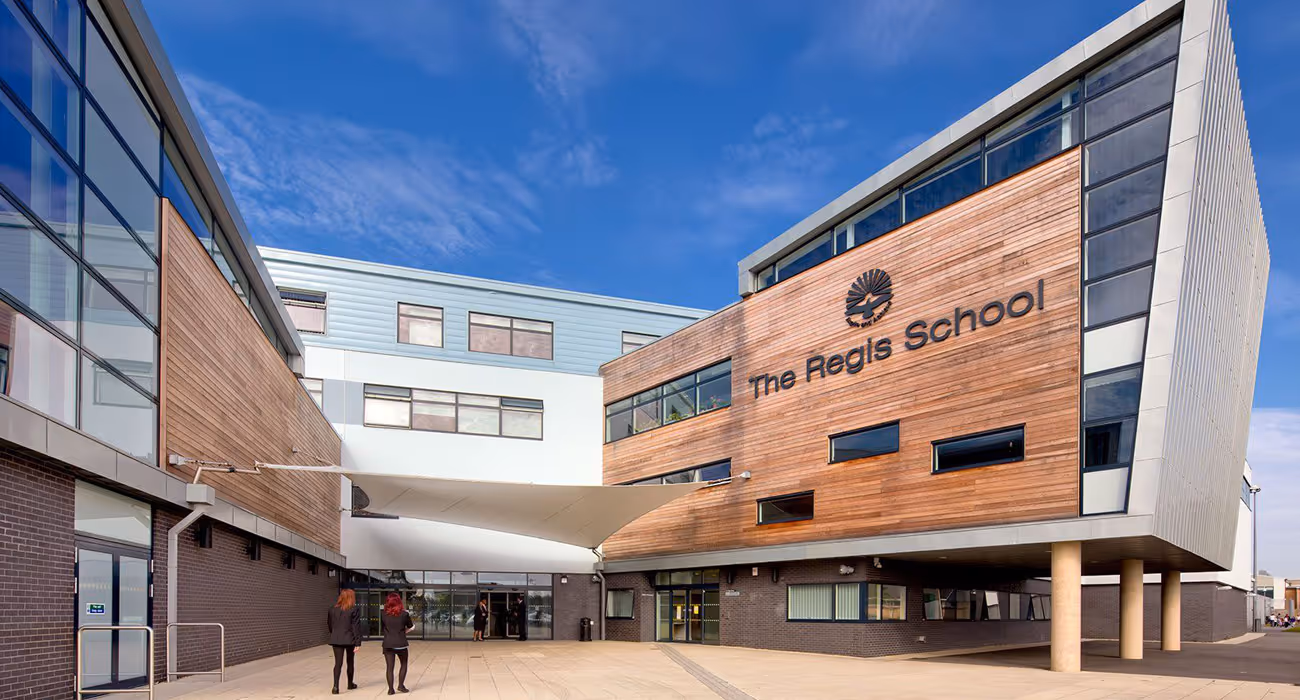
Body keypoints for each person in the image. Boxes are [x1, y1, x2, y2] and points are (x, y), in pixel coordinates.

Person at [327, 589, 363, 694]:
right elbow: (356, 627)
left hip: (336, 639)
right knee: (350, 662)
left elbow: (329, 624)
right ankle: (350, 684)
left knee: (338, 663)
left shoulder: (332, 609)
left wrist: (334, 634)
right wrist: (358, 642)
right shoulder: (354, 609)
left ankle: (335, 687)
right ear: (351, 597)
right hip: (349, 639)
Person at [381, 592, 414, 695]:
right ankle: (401, 686)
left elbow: (383, 628)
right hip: (401, 643)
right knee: (403, 664)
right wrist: (404, 632)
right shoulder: (404, 614)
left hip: (388, 643)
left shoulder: (383, 614)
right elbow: (411, 626)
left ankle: (391, 690)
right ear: (399, 602)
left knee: (389, 667)